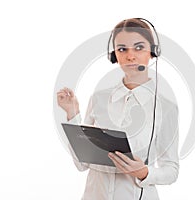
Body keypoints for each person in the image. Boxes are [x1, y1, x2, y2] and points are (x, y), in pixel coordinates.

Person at [57, 18, 179, 200]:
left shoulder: (166, 108)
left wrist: (145, 172)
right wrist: (72, 114)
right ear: (114, 55)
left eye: (139, 47)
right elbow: (81, 165)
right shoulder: (99, 99)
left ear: (153, 52)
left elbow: (172, 169)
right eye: (122, 49)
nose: (130, 56)